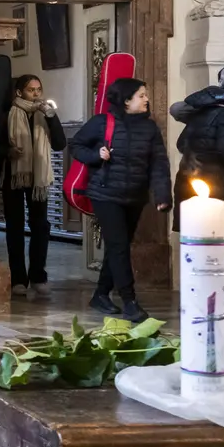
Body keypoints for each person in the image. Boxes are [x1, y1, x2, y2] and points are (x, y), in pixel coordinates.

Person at [69, 77, 171, 323]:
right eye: (141, 95)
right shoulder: (102, 123)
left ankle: (101, 294)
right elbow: (76, 146)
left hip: (135, 196)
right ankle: (130, 302)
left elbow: (159, 163)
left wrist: (163, 194)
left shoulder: (150, 128)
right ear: (126, 101)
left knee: (119, 246)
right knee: (119, 246)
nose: (146, 99)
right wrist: (96, 155)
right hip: (105, 194)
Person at [0, 74, 65, 298]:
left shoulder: (45, 115)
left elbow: (60, 144)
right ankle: (18, 278)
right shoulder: (8, 114)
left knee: (40, 226)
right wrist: (8, 152)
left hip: (38, 178)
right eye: (31, 90)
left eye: (39, 89)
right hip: (14, 177)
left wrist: (52, 117)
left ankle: (38, 276)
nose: (36, 94)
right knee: (14, 227)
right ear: (19, 93)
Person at [170, 64, 224, 229]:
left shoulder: (204, 110)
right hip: (218, 191)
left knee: (197, 248)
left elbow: (182, 144)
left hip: (191, 185)